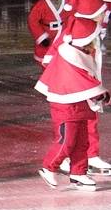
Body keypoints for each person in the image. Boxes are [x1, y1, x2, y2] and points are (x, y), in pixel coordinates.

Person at [35, 15, 108, 191]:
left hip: (79, 105)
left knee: (82, 142)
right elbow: (81, 80)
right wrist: (101, 94)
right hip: (66, 107)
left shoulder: (81, 53)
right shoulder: (69, 56)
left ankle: (78, 173)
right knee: (67, 140)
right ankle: (49, 167)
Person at [27, 0, 73, 66]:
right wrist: (41, 37)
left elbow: (75, 13)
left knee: (64, 59)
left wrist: (72, 33)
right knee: (46, 58)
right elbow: (32, 20)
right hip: (48, 36)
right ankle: (47, 79)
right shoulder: (41, 4)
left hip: (63, 35)